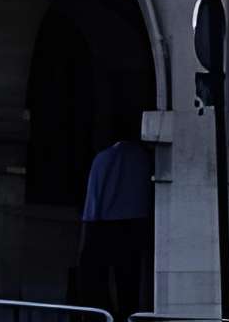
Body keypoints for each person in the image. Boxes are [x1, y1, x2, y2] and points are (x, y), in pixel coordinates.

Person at [76, 126, 154, 321]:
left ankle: (105, 315)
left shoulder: (102, 159)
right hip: (136, 223)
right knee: (130, 279)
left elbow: (92, 202)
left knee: (99, 278)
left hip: (104, 224)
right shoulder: (145, 159)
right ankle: (128, 315)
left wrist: (85, 236)